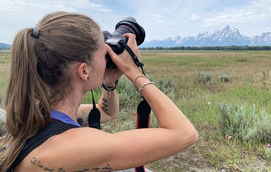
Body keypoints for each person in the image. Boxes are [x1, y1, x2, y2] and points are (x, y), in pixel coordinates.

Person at [0, 12, 198, 172]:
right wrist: (134, 71)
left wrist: (109, 83)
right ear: (84, 70)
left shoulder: (33, 115)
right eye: (103, 52)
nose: (108, 57)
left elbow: (106, 113)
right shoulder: (74, 146)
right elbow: (184, 134)